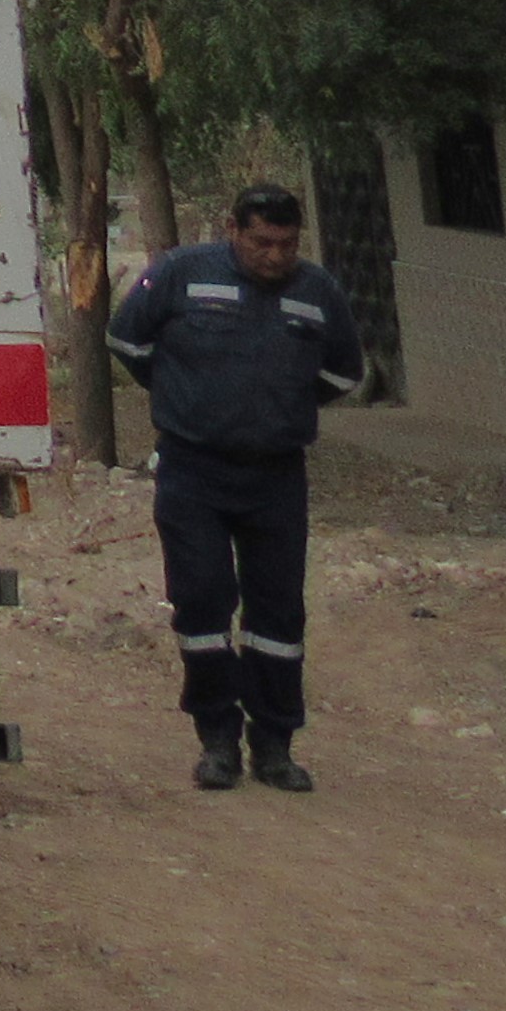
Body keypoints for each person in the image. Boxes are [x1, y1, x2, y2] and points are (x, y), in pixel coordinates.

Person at [106, 181, 366, 792]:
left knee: (278, 614)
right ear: (232, 230)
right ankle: (216, 739)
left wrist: (276, 409)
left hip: (275, 475)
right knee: (201, 603)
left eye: (286, 243)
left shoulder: (317, 291)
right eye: (261, 242)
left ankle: (274, 745)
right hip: (192, 470)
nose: (275, 256)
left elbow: (342, 373)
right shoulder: (181, 273)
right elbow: (126, 340)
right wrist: (185, 397)